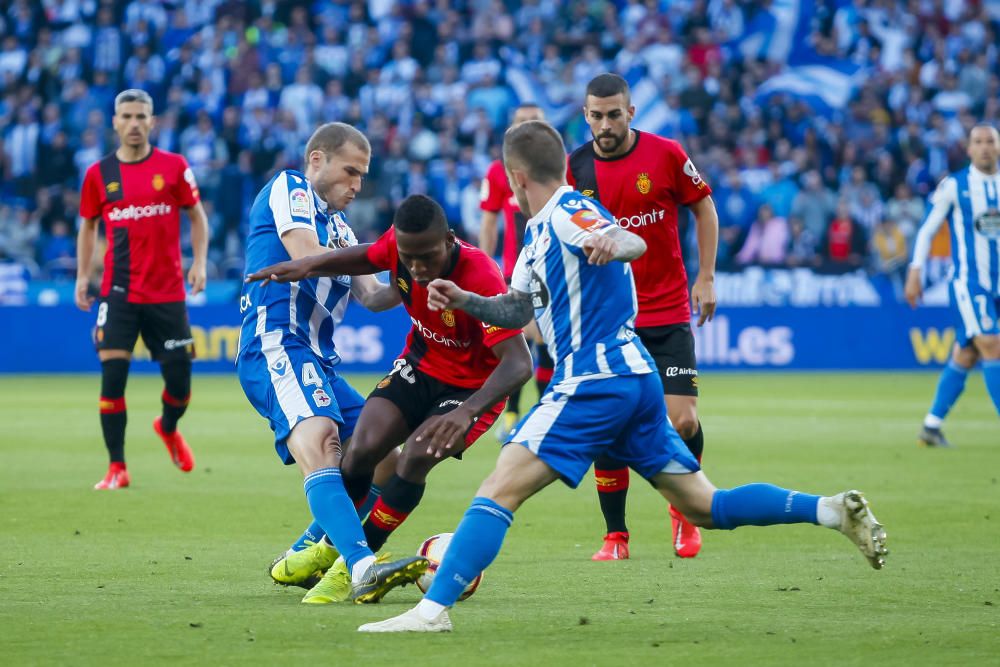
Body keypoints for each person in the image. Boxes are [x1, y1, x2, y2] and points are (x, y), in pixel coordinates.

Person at [356, 120, 887, 634]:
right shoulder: (538, 234)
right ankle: (831, 510)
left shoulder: (568, 210)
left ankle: (430, 614)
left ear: (515, 177)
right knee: (704, 505)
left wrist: (618, 243)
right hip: (633, 379)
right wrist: (468, 299)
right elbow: (518, 311)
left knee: (499, 488)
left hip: (594, 378)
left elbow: (625, 241)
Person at [247, 193, 533, 603]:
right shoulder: (402, 249)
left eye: (427, 258)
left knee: (415, 456)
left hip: (470, 389)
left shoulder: (479, 274)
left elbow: (518, 363)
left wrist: (468, 412)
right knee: (362, 448)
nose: (416, 267)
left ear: (449, 241)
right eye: (407, 257)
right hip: (420, 364)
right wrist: (308, 263)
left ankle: (349, 568)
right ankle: (334, 549)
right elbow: (365, 257)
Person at [237, 122, 430, 604]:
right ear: (318, 160)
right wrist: (381, 252)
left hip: (319, 361)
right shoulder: (290, 187)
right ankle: (361, 564)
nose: (357, 186)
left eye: (363, 176)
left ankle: (306, 553)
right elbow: (306, 255)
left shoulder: (341, 227)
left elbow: (375, 296)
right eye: (350, 173)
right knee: (323, 443)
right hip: (276, 342)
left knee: (382, 453)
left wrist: (422, 269)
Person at [566, 73, 719, 560]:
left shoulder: (667, 154)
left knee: (684, 421)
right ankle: (616, 536)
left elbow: (705, 209)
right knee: (608, 422)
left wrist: (707, 277)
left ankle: (684, 512)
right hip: (609, 318)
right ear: (585, 115)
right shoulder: (576, 168)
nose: (605, 124)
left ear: (631, 112)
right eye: (596, 115)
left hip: (668, 308)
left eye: (614, 114)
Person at [76, 89, 208, 490]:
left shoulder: (173, 167)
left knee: (180, 387)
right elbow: (88, 225)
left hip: (167, 293)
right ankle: (117, 467)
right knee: (112, 377)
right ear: (115, 122)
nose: (134, 123)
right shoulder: (99, 175)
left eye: (141, 116)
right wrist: (83, 275)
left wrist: (199, 262)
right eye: (127, 116)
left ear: (153, 122)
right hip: (118, 292)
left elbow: (198, 218)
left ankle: (167, 427)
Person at [904, 124, 1000, 445]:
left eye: (991, 142)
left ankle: (931, 427)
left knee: (967, 353)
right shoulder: (954, 186)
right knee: (991, 343)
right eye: (979, 142)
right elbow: (927, 230)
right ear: (969, 149)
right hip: (969, 283)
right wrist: (915, 270)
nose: (985, 147)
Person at [478, 103, 554, 439]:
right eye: (522, 121)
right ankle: (514, 414)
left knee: (546, 341)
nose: (528, 127)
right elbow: (489, 219)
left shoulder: (559, 170)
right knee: (523, 338)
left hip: (554, 270)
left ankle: (544, 412)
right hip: (515, 271)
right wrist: (483, 264)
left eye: (535, 121)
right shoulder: (498, 172)